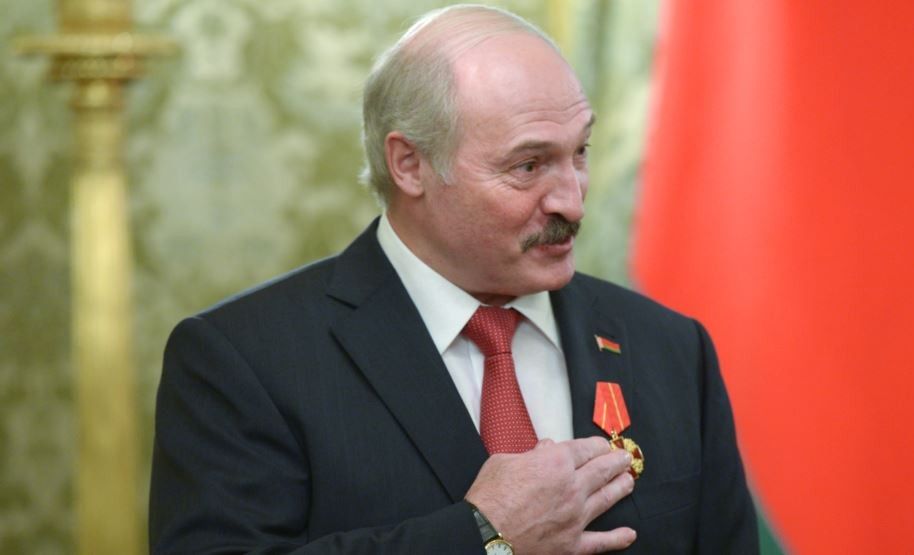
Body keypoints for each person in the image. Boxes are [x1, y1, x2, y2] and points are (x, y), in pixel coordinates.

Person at [149, 5, 758, 554]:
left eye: (579, 153)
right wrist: (484, 536)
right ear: (410, 165)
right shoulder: (245, 360)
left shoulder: (670, 349)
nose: (572, 201)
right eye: (529, 165)